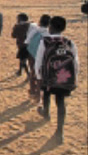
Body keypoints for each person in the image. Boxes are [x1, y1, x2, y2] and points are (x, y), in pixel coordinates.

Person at [35, 16, 79, 144]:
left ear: (50, 27)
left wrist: (39, 77)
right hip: (64, 77)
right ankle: (60, 131)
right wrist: (74, 78)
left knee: (46, 94)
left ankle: (46, 112)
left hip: (48, 77)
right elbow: (75, 63)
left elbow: (39, 61)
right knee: (60, 101)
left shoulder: (45, 42)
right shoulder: (69, 42)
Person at [25, 14, 51, 102]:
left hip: (32, 54)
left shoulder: (35, 30)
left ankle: (33, 90)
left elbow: (27, 41)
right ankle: (39, 94)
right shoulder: (49, 33)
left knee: (33, 72)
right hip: (44, 56)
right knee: (41, 75)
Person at [11, 13, 31, 79]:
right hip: (30, 45)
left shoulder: (18, 27)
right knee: (23, 58)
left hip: (22, 45)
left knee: (23, 59)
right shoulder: (30, 25)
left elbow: (13, 35)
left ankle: (28, 74)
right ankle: (20, 71)